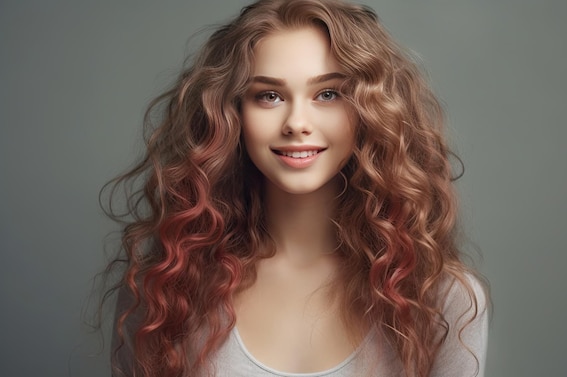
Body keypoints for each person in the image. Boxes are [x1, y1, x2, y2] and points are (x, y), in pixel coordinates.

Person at [102, 0, 489, 376]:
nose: (296, 122)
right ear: (232, 114)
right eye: (269, 96)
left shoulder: (441, 298)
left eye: (328, 94)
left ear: (370, 111)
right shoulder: (169, 287)